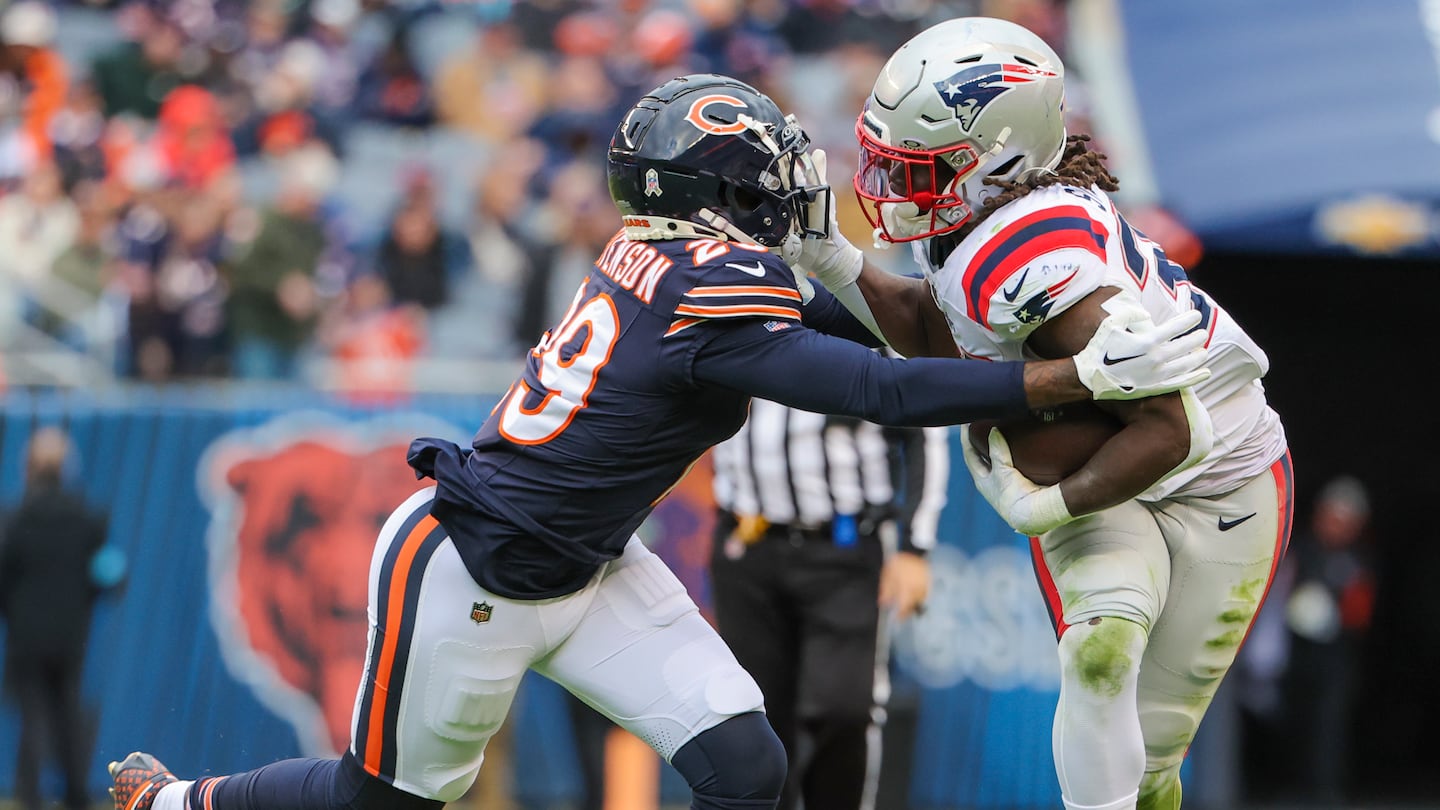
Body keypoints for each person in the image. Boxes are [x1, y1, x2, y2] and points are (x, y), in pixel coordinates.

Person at [108, 73, 1209, 810]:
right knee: (380, 800)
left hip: (592, 564)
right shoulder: (711, 292)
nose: (790, 185)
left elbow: (884, 333)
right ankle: (174, 802)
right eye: (765, 169)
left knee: (744, 763)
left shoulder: (673, 258)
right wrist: (1064, 377)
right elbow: (880, 385)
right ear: (717, 187)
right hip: (480, 566)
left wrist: (1009, 317)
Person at [790, 18, 1293, 810]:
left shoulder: (1034, 259)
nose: (893, 188)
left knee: (1157, 757)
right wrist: (832, 260)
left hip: (1220, 474)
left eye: (919, 170)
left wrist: (1039, 504)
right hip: (1130, 473)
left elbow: (1171, 430)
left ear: (1000, 158)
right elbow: (936, 329)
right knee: (1100, 656)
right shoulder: (987, 210)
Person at [709, 394, 947, 810]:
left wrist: (914, 546)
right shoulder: (721, 326)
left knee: (844, 710)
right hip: (745, 545)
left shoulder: (867, 329)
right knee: (752, 718)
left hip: (845, 548)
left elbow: (926, 425)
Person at [0, 427, 117, 810]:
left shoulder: (15, 519)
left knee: (33, 716)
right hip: (71, 635)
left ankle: (30, 795)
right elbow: (110, 575)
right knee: (67, 714)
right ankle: (76, 794)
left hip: (27, 637)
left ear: (29, 468)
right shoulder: (87, 518)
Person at [1283, 474, 1375, 807]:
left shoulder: (1359, 560)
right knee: (1294, 720)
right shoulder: (1300, 549)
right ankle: (1294, 786)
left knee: (1328, 726)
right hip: (1295, 655)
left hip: (1336, 657)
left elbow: (1362, 612)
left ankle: (1325, 793)